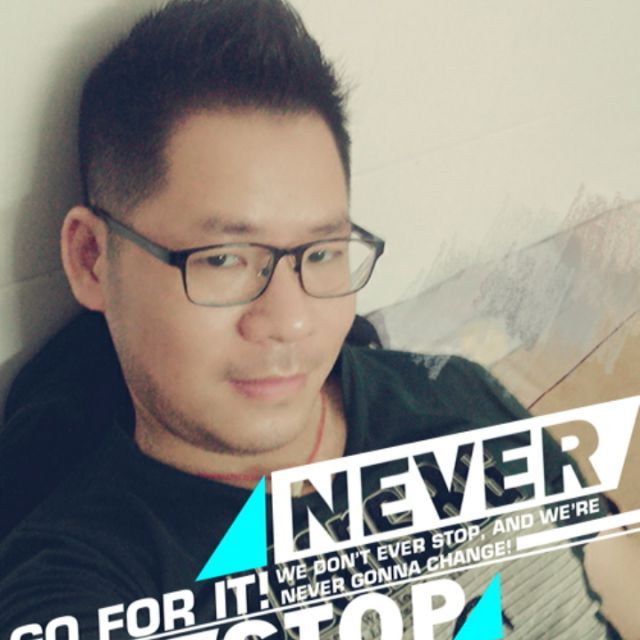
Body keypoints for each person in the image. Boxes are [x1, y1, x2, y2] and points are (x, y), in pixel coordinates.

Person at [0, 0, 625, 638]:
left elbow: (614, 576)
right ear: (91, 259)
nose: (292, 321)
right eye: (224, 259)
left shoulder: (452, 394)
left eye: (321, 253)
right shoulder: (88, 582)